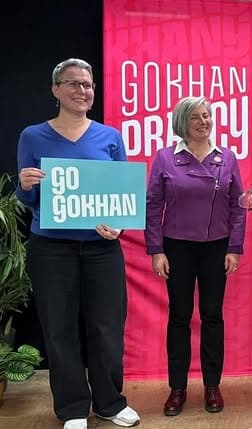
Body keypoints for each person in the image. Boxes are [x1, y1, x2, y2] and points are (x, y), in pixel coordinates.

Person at [16, 58, 140, 429]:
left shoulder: (110, 137)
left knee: (107, 328)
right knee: (60, 328)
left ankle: (110, 402)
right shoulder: (32, 136)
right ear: (55, 89)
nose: (81, 90)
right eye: (72, 83)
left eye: (87, 84)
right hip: (51, 248)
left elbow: (122, 196)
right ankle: (72, 408)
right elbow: (28, 199)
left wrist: (118, 225)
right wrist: (25, 185)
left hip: (102, 249)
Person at [145, 96, 247, 416]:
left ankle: (212, 385)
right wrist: (156, 250)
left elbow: (238, 207)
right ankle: (177, 388)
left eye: (207, 115)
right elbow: (153, 205)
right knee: (179, 316)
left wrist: (234, 248)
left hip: (216, 247)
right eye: (196, 117)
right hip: (177, 248)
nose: (204, 122)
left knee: (212, 316)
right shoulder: (165, 158)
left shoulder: (226, 157)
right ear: (182, 123)